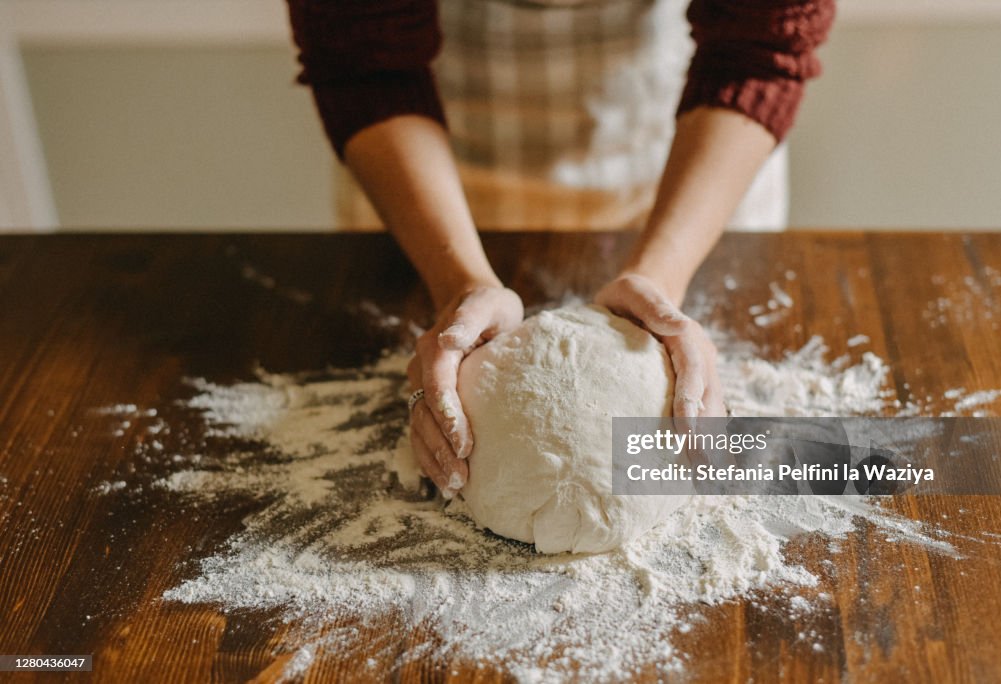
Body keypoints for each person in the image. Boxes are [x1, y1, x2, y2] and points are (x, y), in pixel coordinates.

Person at [286, 0, 836, 497]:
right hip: (424, 150)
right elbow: (364, 60)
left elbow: (758, 48)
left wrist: (661, 282)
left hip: (680, 147)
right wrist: (458, 284)